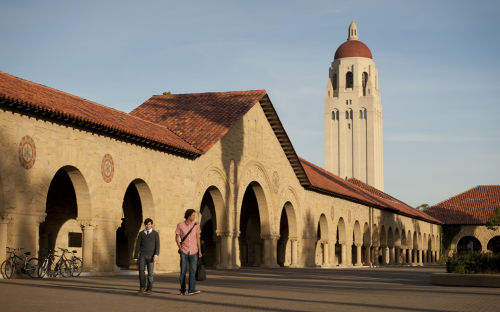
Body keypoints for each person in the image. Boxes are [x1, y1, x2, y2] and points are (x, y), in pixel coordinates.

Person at [175, 209, 202, 295]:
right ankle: (182, 290)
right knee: (183, 272)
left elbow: (198, 238)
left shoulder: (196, 225)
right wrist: (180, 248)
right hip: (184, 251)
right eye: (193, 215)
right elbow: (177, 238)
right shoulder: (180, 225)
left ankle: (191, 290)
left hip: (194, 251)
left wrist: (200, 251)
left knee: (192, 271)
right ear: (189, 216)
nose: (195, 216)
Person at [134, 218, 160, 295]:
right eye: (146, 224)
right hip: (142, 255)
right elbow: (137, 246)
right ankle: (142, 287)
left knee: (150, 273)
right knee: (141, 271)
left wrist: (156, 255)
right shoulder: (141, 233)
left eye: (149, 224)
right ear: (144, 225)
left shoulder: (155, 233)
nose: (148, 226)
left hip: (151, 256)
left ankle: (149, 289)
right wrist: (135, 257)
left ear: (151, 224)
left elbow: (157, 245)